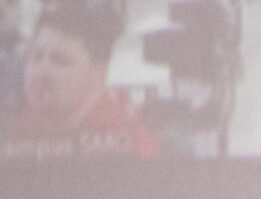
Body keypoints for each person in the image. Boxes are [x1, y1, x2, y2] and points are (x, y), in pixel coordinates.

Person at [4, 0, 158, 158]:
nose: (42, 71)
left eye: (60, 60)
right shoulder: (12, 129)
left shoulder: (127, 134)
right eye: (36, 57)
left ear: (97, 73)